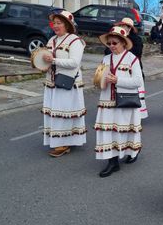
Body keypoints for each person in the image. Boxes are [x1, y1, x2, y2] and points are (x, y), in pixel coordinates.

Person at [95, 26, 143, 177]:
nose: (111, 46)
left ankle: (132, 151)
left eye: (115, 43)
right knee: (108, 131)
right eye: (109, 43)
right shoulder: (105, 59)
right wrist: (99, 80)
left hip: (125, 101)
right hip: (107, 100)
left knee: (124, 129)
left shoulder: (132, 59)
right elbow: (100, 77)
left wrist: (118, 80)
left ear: (123, 43)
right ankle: (112, 161)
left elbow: (137, 81)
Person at [42, 10, 86, 157]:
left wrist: (53, 61)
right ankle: (57, 140)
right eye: (54, 23)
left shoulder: (75, 41)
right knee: (54, 112)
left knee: (64, 112)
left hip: (67, 82)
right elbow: (46, 58)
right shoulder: (52, 40)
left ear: (67, 25)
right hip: (52, 82)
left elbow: (74, 62)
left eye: (59, 23)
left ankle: (65, 142)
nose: (55, 25)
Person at [104, 18, 148, 119]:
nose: (125, 28)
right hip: (114, 67)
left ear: (130, 28)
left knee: (131, 95)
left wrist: (124, 51)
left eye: (127, 26)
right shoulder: (114, 38)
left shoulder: (136, 39)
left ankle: (135, 115)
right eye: (123, 25)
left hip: (130, 68)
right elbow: (107, 51)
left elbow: (137, 53)